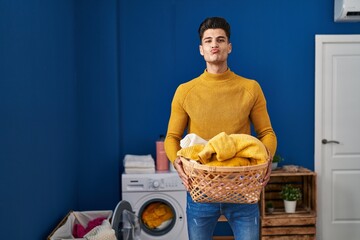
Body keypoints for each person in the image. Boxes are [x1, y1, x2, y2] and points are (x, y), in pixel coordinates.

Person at [164, 17, 277, 240]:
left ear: (229, 47)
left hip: (243, 189)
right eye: (208, 41)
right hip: (201, 191)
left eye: (220, 39)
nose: (214, 44)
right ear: (201, 49)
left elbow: (266, 133)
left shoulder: (250, 88)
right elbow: (172, 137)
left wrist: (267, 161)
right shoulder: (185, 91)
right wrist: (176, 162)